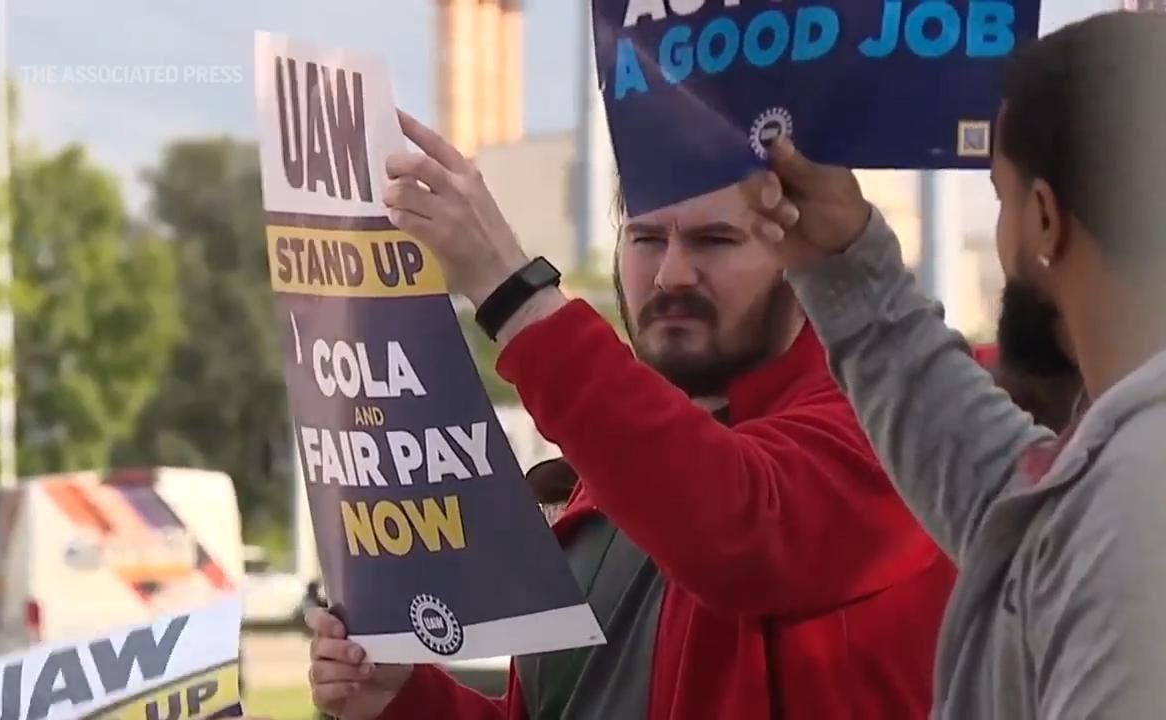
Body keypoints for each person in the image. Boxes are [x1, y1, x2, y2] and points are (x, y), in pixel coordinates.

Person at [297, 111, 956, 720]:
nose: (671, 274)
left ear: (800, 257)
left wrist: (510, 290)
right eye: (645, 238)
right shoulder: (611, 466)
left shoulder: (893, 419)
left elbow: (738, 525)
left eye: (714, 240)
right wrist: (404, 697)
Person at [745, 11, 1166, 717]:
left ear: (1042, 219)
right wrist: (840, 264)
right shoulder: (1118, 479)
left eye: (1000, 198)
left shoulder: (1138, 506)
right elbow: (1014, 512)